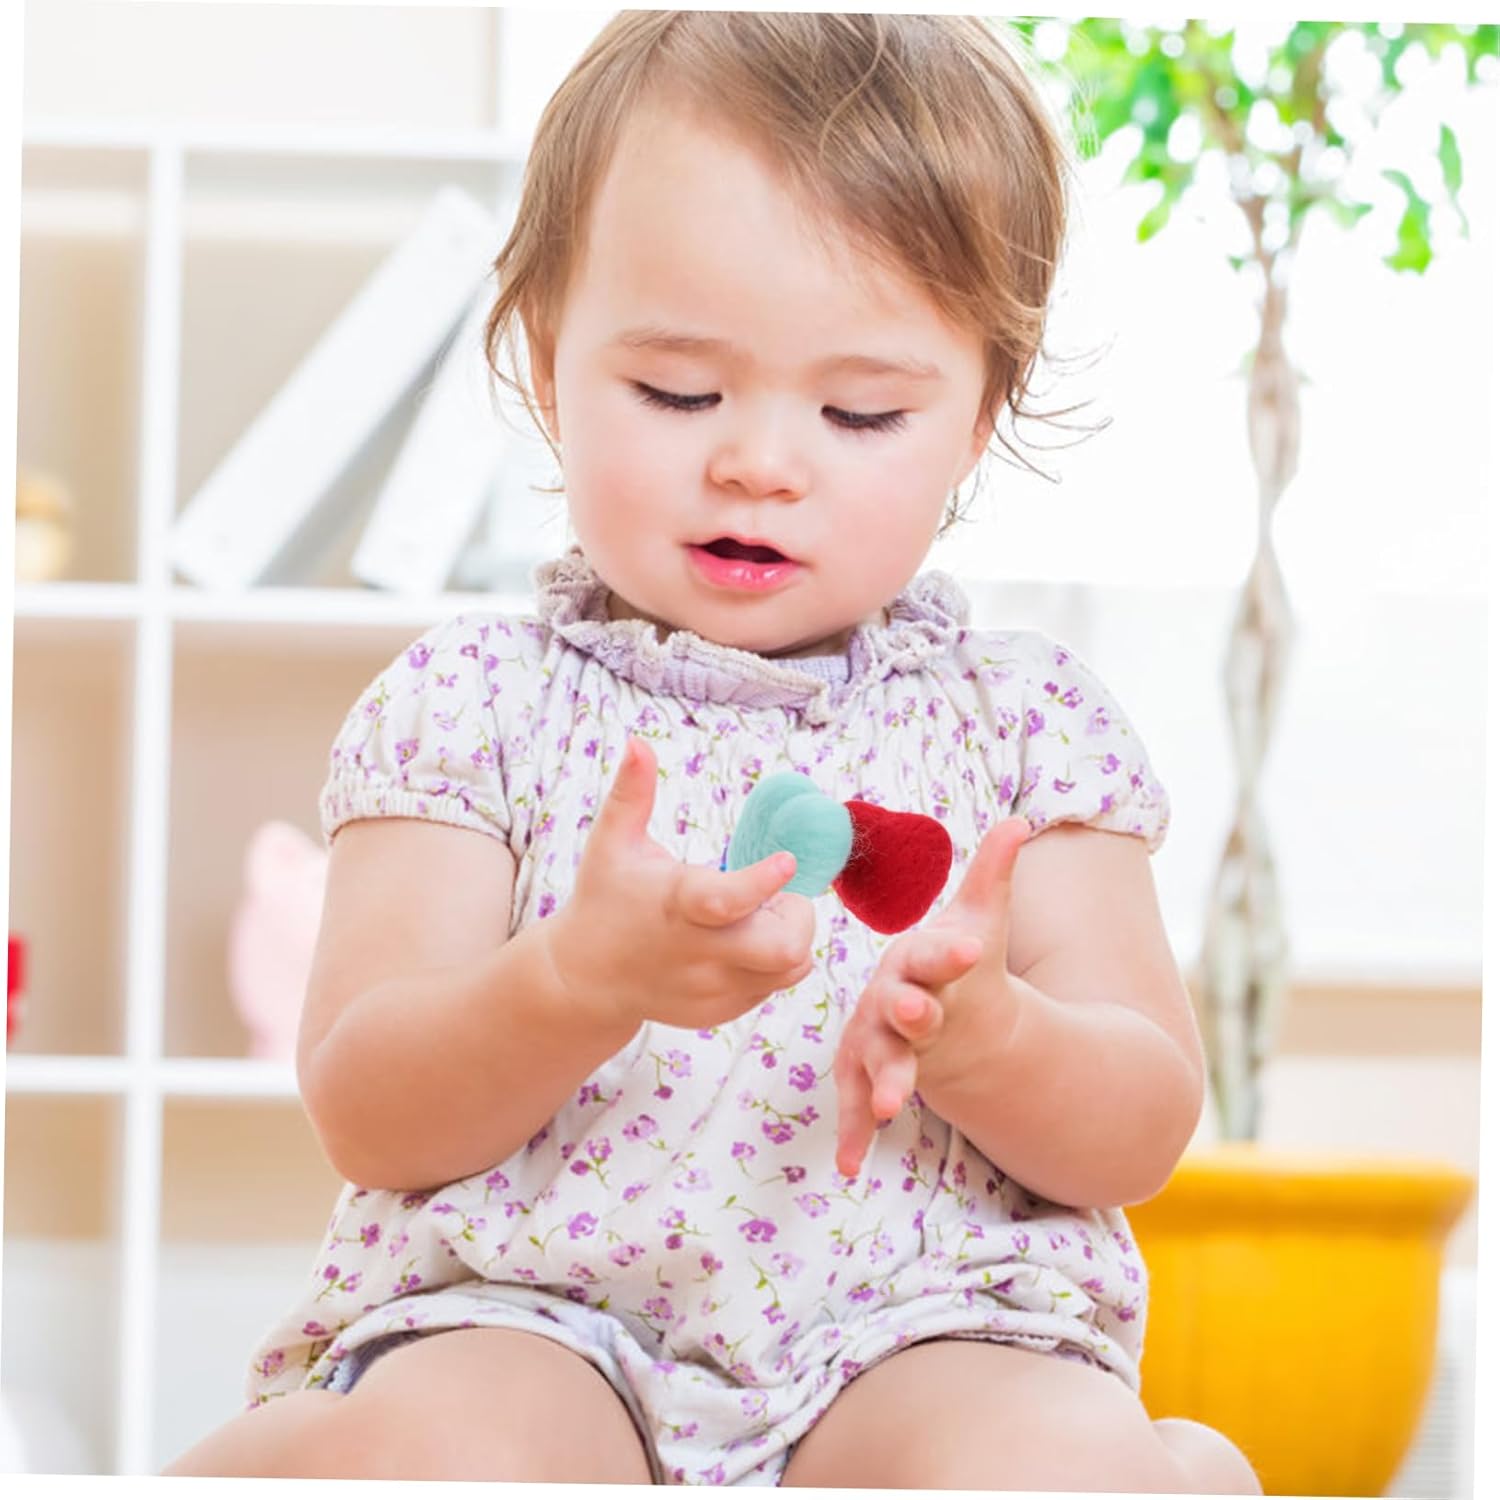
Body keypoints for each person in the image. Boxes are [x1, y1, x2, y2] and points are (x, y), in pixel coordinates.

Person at [167, 12, 1260, 1493]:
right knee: (438, 1453)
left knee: (1047, 1468)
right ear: (547, 363)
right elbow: (368, 1104)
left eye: (861, 412)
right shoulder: (474, 705)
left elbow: (1141, 1126)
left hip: (925, 1333)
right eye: (678, 393)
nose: (758, 462)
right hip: (531, 1322)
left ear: (976, 421)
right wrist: (572, 981)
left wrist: (997, 1040)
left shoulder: (1024, 728)